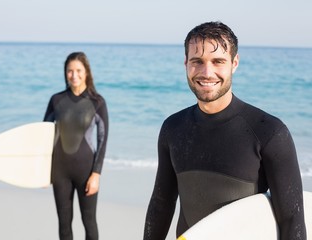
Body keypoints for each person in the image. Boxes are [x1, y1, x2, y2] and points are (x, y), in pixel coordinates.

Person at [143, 21, 306, 240]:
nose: (207, 72)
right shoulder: (173, 128)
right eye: (197, 61)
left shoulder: (269, 132)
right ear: (185, 64)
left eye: (218, 61)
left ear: (234, 63)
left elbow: (291, 219)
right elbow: (161, 204)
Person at [44, 52, 108, 240]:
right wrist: (41, 170)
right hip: (59, 172)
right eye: (70, 71)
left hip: (86, 171)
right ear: (65, 73)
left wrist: (96, 174)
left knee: (89, 222)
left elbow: (103, 139)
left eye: (78, 70)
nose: (74, 75)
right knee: (64, 224)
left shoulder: (97, 102)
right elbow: (44, 135)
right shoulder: (56, 100)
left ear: (86, 72)